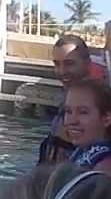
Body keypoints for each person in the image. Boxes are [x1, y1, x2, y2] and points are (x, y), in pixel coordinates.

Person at [42, 34, 104, 166]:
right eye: (57, 64)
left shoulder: (95, 104)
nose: (61, 71)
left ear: (87, 63)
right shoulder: (70, 97)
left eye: (69, 64)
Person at [61, 80, 111, 176]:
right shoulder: (86, 151)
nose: (72, 121)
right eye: (68, 111)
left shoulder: (107, 167)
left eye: (83, 112)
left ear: (106, 119)